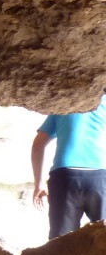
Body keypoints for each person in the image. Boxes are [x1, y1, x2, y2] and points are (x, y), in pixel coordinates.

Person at [31, 91, 106, 239]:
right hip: (100, 176)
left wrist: (38, 183)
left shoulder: (64, 105)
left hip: (64, 176)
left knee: (60, 241)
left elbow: (38, 145)